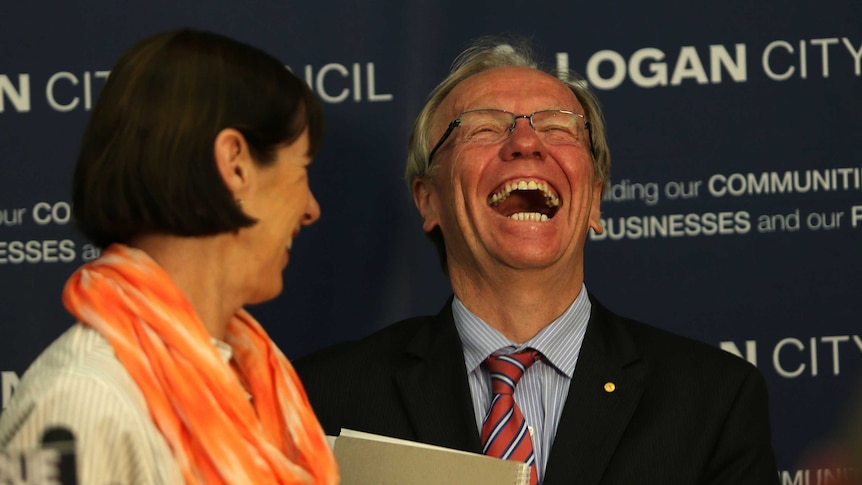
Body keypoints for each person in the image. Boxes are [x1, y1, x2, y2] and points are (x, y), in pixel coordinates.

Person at [294, 36, 779, 484]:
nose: (526, 143)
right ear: (429, 201)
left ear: (593, 199)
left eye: (558, 128)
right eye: (482, 127)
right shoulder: (322, 397)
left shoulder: (714, 399)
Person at [0, 29, 338, 485]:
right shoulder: (82, 401)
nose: (312, 208)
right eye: (302, 168)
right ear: (235, 164)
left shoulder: (253, 379)